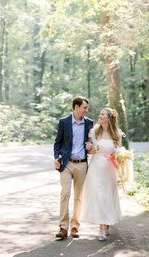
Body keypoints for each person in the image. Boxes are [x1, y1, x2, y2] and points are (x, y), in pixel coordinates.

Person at [80, 107, 123, 241]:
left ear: (109, 118)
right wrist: (89, 149)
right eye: (100, 114)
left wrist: (119, 155)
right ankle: (101, 229)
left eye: (102, 114)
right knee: (99, 196)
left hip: (109, 169)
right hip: (95, 167)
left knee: (107, 196)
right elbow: (91, 151)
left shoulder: (117, 133)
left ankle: (107, 223)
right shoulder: (93, 131)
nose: (100, 116)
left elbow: (120, 151)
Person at [54, 96, 93, 239]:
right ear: (76, 107)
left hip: (82, 164)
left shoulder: (89, 123)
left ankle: (75, 226)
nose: (86, 110)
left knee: (79, 197)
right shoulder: (64, 122)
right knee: (65, 194)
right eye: (84, 107)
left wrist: (91, 147)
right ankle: (63, 228)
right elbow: (57, 143)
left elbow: (91, 143)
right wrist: (56, 158)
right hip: (66, 164)